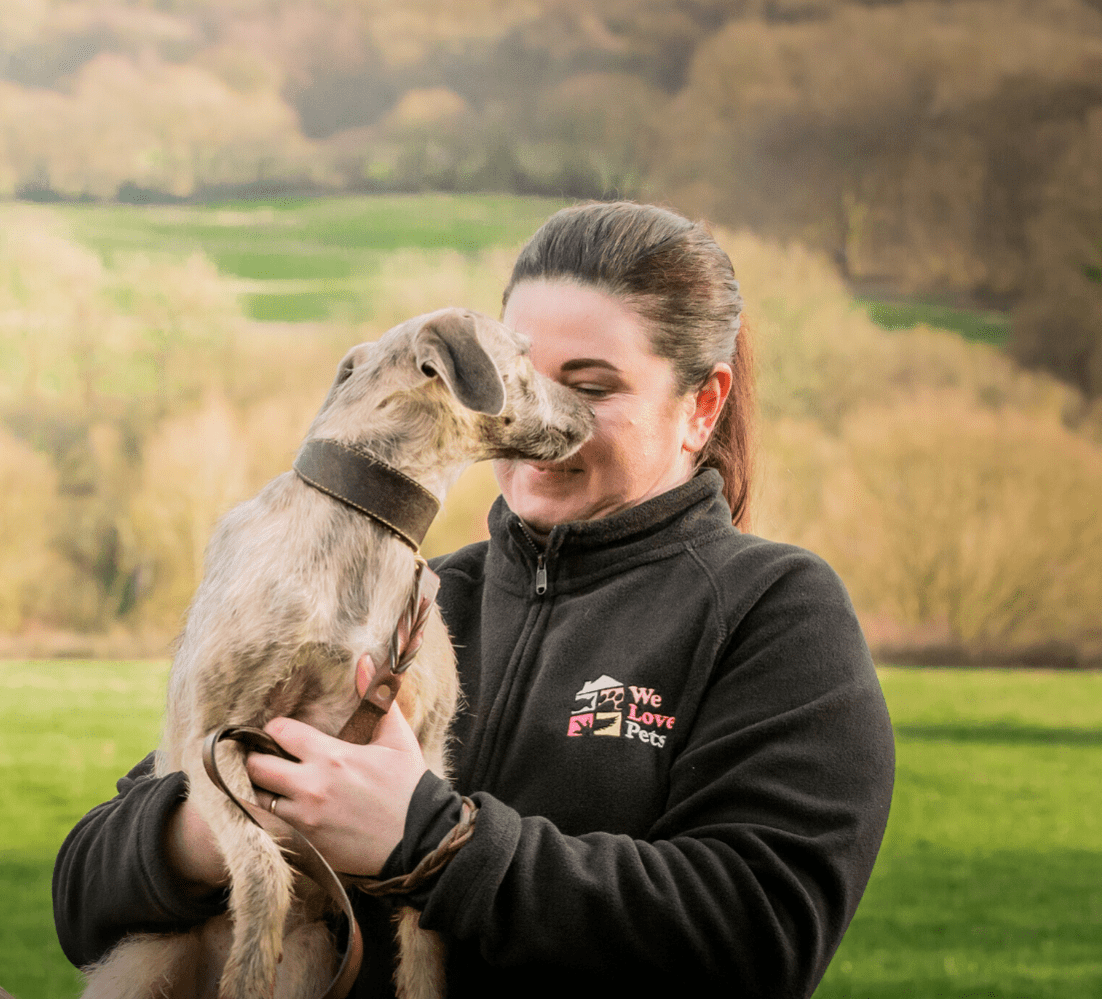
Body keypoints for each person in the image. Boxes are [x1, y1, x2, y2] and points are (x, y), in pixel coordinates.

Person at [51, 201, 896, 998]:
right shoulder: (413, 596)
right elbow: (82, 888)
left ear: (700, 406)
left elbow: (760, 932)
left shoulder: (774, 611)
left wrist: (434, 840)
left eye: (594, 386)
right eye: (519, 372)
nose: (539, 415)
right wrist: (213, 827)